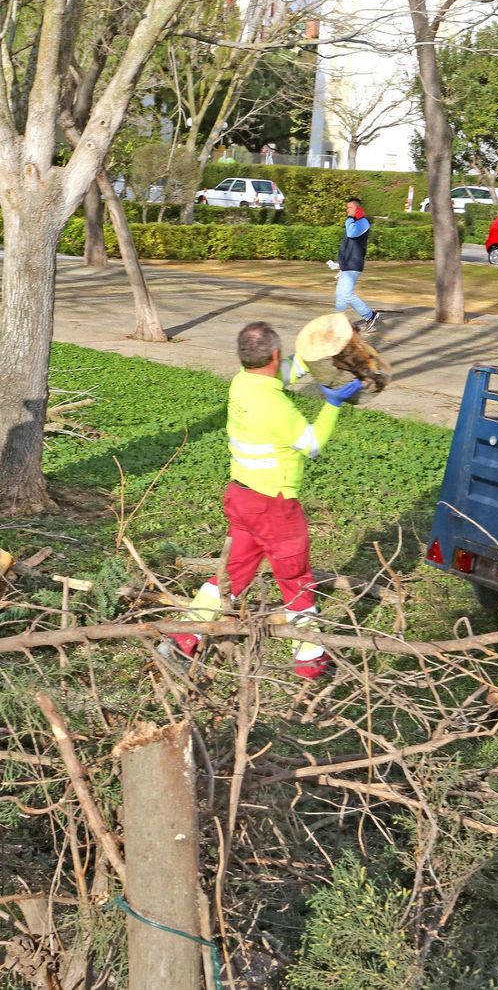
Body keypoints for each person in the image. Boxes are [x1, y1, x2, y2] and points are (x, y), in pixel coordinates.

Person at [169, 319, 362, 679]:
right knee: (297, 579)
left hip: (242, 497)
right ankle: (310, 663)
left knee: (231, 574)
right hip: (275, 504)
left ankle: (181, 639)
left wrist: (310, 356)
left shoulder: (244, 383)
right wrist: (333, 404)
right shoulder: (273, 404)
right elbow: (312, 443)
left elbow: (282, 373)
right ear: (275, 353)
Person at [329, 198, 379, 332]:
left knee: (346, 294)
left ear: (357, 209)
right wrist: (340, 263)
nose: (347, 211)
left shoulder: (363, 222)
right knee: (340, 295)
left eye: (350, 208)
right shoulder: (353, 222)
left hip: (354, 265)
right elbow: (347, 247)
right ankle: (340, 321)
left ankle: (370, 315)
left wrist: (349, 218)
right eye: (347, 208)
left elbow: (352, 233)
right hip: (347, 265)